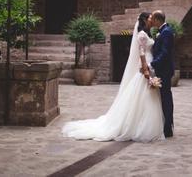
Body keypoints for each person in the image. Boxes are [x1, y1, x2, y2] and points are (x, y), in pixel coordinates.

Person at [62, 12, 165, 142]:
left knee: (148, 95)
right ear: (144, 20)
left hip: (152, 64)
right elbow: (142, 52)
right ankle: (138, 125)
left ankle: (144, 123)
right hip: (146, 66)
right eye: (150, 17)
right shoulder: (142, 34)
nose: (152, 19)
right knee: (143, 93)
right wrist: (145, 68)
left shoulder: (149, 33)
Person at [148, 10, 174, 138]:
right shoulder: (162, 31)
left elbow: (165, 53)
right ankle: (165, 125)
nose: (151, 21)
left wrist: (152, 64)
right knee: (164, 97)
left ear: (158, 20)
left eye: (153, 19)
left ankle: (168, 128)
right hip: (162, 69)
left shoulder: (166, 32)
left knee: (166, 98)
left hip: (164, 70)